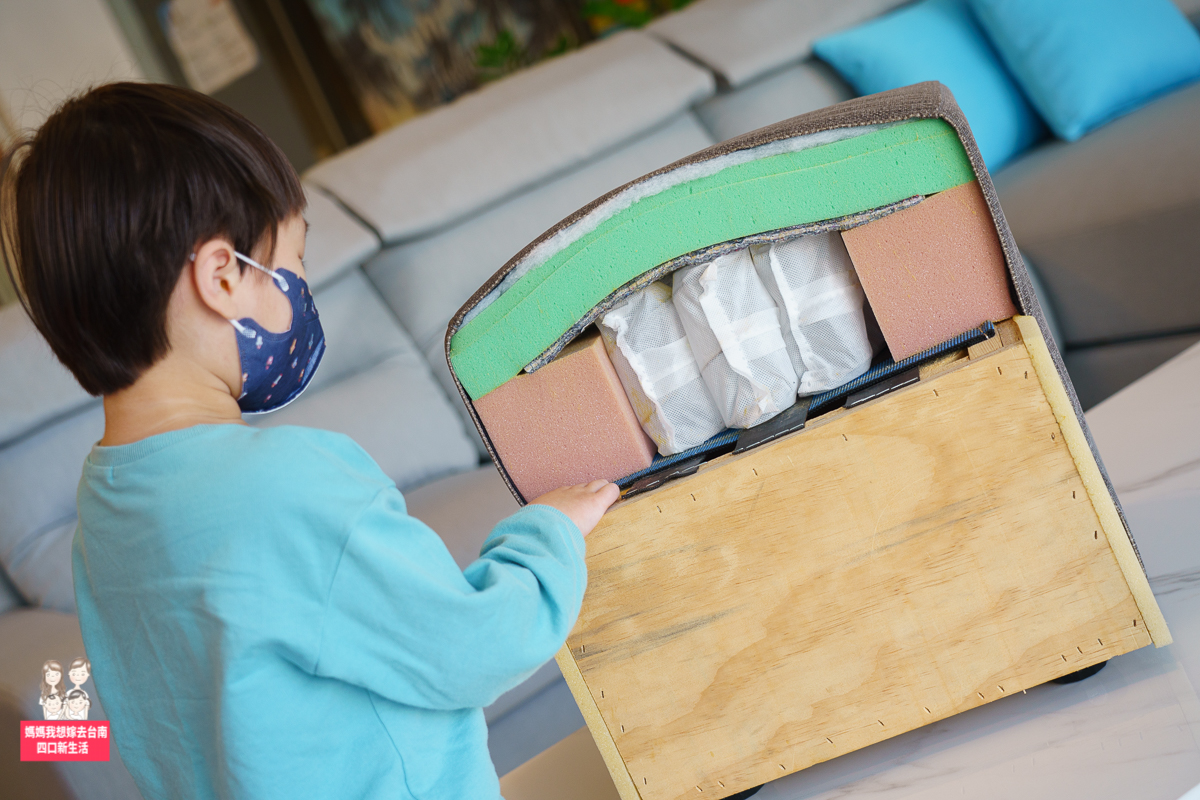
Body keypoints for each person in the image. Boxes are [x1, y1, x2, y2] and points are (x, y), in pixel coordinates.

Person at [1, 82, 618, 799]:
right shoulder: (287, 483)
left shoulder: (102, 520)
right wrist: (547, 534)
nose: (300, 287)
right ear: (221, 277)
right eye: (292, 261)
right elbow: (475, 646)